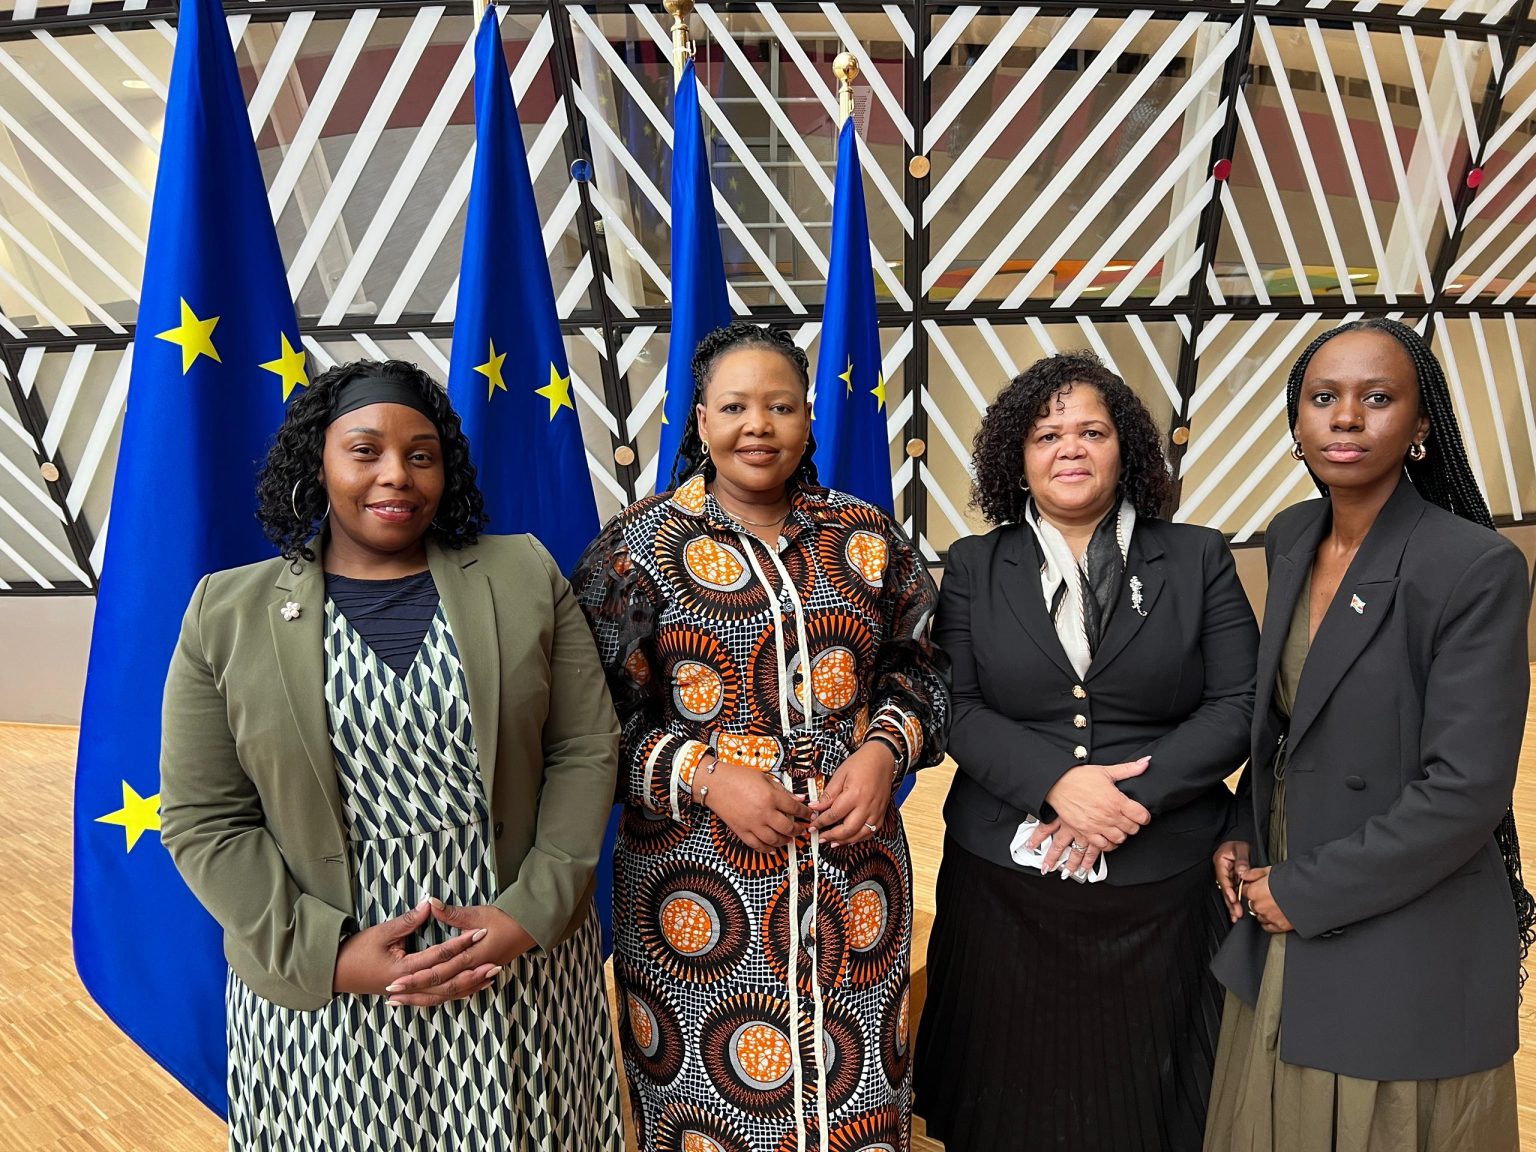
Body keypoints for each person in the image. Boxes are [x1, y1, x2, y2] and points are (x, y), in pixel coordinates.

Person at [159, 359, 624, 1151]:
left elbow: (584, 749)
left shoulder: (523, 573)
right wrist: (331, 955)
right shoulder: (224, 612)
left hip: (517, 963)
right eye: (365, 450)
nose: (396, 475)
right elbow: (204, 818)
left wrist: (526, 915)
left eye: (421, 455)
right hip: (327, 987)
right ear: (317, 463)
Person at [573, 322, 950, 1152]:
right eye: (736, 406)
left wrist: (885, 752)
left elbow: (925, 669)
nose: (758, 426)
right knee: (714, 1107)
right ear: (699, 419)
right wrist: (705, 776)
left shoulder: (863, 536)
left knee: (858, 1095)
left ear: (809, 419)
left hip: (854, 878)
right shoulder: (636, 549)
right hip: (695, 894)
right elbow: (586, 725)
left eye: (780, 406)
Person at [914, 352, 1259, 1152]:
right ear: (1017, 459)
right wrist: (1055, 783)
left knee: (1153, 1104)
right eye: (1046, 435)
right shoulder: (972, 565)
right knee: (1006, 1097)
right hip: (1004, 885)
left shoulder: (1199, 556)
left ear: (1124, 449)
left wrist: (1129, 797)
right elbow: (955, 706)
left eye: (1092, 432)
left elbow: (1240, 703)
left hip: (1162, 882)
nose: (1069, 447)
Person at [1205, 319, 1535, 1151]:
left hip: (1395, 924)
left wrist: (1303, 891)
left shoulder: (1473, 566)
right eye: (1324, 397)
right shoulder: (1291, 536)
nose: (1346, 417)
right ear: (1298, 420)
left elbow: (1465, 792)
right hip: (1285, 901)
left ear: (1422, 425)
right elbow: (1286, 728)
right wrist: (1243, 828)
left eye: (1377, 398)